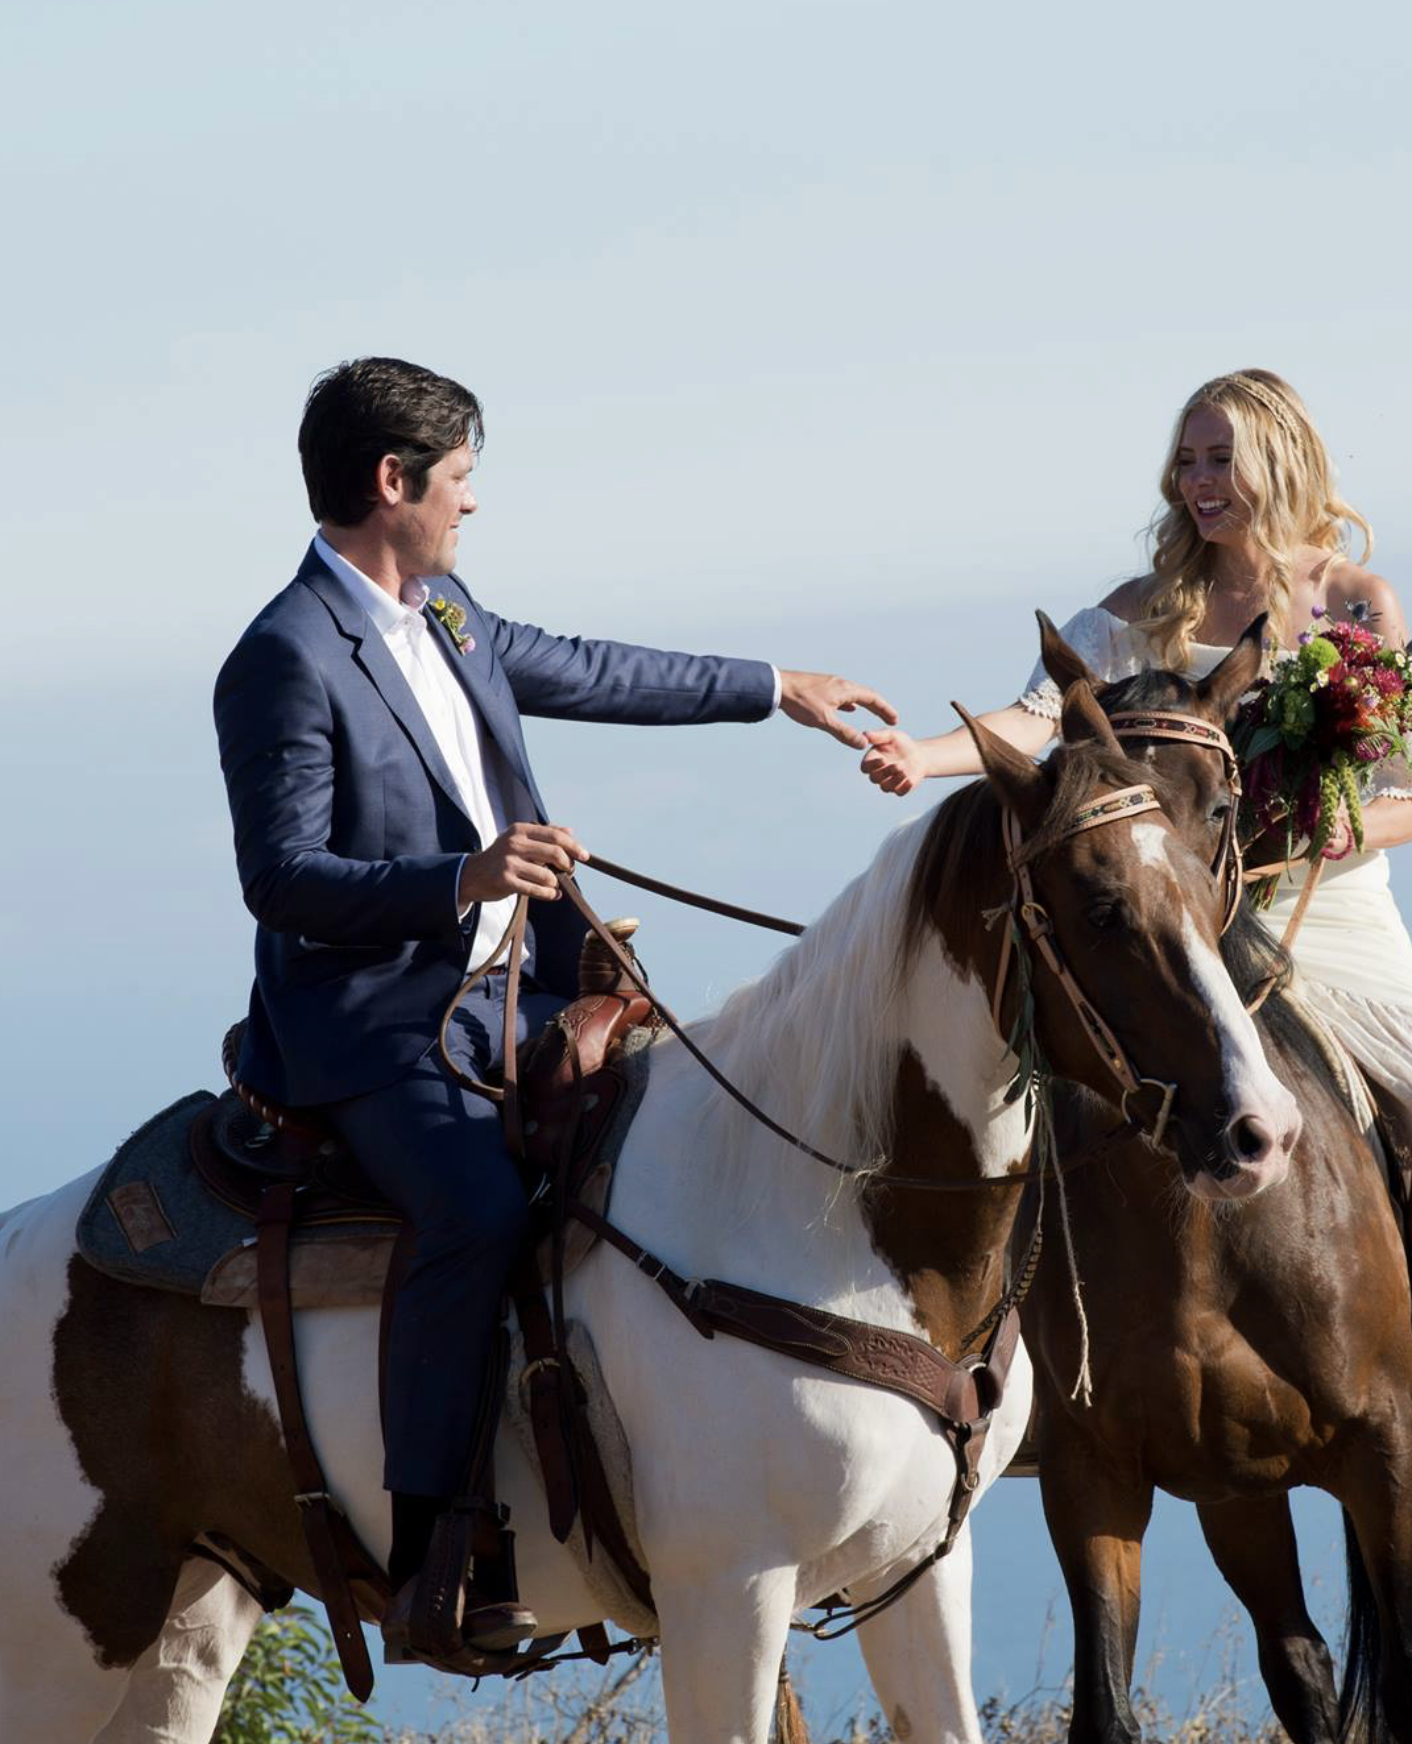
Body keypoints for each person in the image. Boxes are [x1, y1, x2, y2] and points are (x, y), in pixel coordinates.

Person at [214, 357, 897, 1661]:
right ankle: (431, 1560)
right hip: (371, 1022)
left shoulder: (446, 607)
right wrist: (460, 878)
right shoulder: (283, 659)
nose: (473, 506)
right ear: (392, 482)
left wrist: (773, 687)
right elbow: (282, 881)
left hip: (515, 983)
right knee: (473, 1209)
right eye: (460, 481)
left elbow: (583, 665)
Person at [855, 368, 1412, 1490]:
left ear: (1278, 463)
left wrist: (1325, 835)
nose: (1196, 483)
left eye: (1217, 459)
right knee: (1054, 1108)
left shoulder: (1356, 605)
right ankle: (1033, 1379)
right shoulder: (1143, 607)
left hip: (1326, 914)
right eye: (1185, 461)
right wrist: (928, 755)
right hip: (1177, 913)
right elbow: (1041, 716)